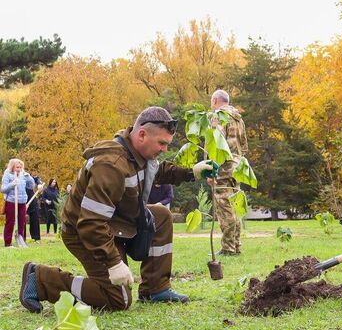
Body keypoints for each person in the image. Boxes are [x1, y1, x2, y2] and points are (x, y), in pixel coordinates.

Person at [19, 106, 215, 313]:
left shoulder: (137, 155)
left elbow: (156, 171)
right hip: (84, 232)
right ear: (141, 135)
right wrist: (114, 263)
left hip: (115, 224)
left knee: (161, 216)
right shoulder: (111, 165)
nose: (165, 149)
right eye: (162, 143)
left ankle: (155, 288)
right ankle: (41, 278)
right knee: (117, 300)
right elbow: (90, 222)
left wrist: (192, 172)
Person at [207, 90, 248, 256]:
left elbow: (216, 145)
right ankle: (236, 246)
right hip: (238, 167)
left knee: (224, 208)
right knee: (234, 206)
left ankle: (228, 248)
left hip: (224, 167)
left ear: (215, 100)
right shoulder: (238, 118)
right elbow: (244, 145)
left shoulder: (218, 116)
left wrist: (212, 170)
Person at [1, 159, 35, 247]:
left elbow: (31, 186)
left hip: (22, 201)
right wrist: (12, 184)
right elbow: (3, 189)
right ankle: (8, 243)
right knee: (10, 222)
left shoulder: (23, 174)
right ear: (12, 167)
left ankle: (21, 240)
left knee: (22, 222)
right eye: (17, 167)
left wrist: (29, 178)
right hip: (11, 201)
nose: (19, 169)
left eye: (20, 167)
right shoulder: (7, 174)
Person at [26, 176, 44, 243]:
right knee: (21, 221)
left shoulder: (26, 176)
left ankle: (36, 238)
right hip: (21, 201)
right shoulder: (15, 177)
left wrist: (39, 183)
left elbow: (37, 178)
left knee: (35, 219)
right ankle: (22, 238)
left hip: (32, 200)